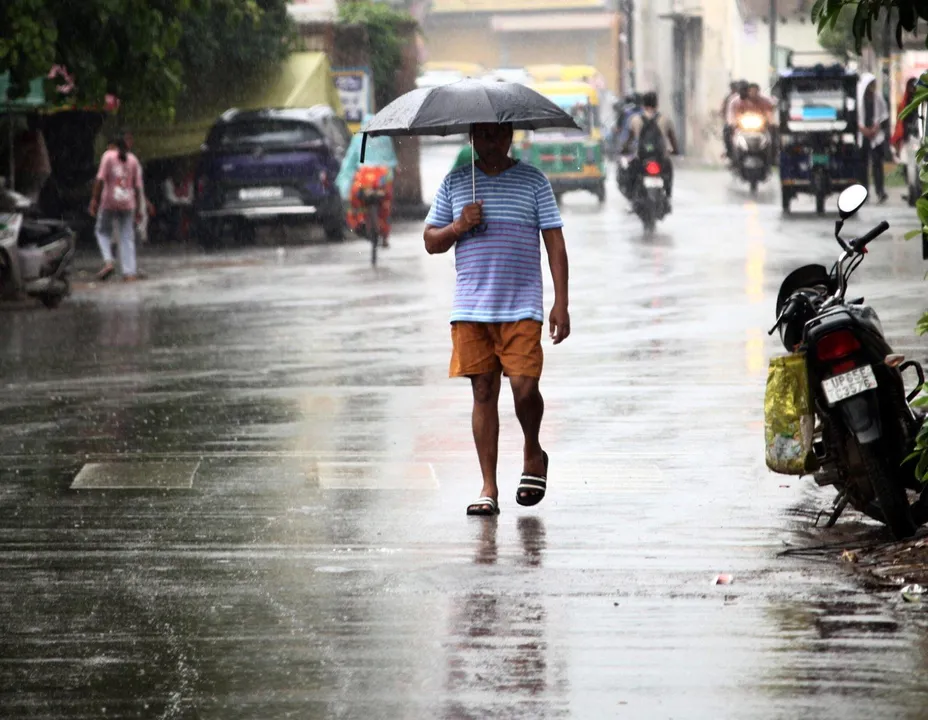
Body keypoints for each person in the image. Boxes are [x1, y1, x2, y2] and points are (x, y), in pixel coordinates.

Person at [423, 122, 570, 517]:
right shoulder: (456, 183)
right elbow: (430, 241)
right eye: (484, 135)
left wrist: (561, 302)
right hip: (471, 309)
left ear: (510, 138)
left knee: (524, 389)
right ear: (472, 137)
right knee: (483, 393)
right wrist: (458, 225)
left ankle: (532, 451)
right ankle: (489, 487)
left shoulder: (534, 181)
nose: (492, 142)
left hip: (522, 307)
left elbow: (554, 242)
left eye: (500, 135)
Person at [89, 132, 144, 281]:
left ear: (112, 145)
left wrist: (94, 200)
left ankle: (108, 262)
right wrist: (139, 209)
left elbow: (99, 180)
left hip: (109, 201)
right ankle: (129, 272)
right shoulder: (133, 160)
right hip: (128, 203)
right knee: (127, 237)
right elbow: (138, 187)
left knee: (102, 232)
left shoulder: (108, 156)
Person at [336, 117, 398, 247]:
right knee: (385, 205)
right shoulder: (385, 138)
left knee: (356, 198)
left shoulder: (359, 138)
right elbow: (392, 160)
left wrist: (344, 181)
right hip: (383, 180)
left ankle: (359, 221)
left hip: (364, 180)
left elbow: (349, 161)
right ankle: (384, 235)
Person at [621, 91, 679, 200]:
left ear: (643, 105)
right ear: (657, 104)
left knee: (631, 175)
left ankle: (632, 198)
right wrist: (675, 150)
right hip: (661, 157)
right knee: (668, 172)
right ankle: (667, 194)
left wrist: (624, 149)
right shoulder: (665, 119)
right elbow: (672, 139)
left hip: (641, 157)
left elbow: (629, 140)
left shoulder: (635, 120)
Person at [858, 72, 889, 204]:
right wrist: (863, 129)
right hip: (863, 136)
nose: (872, 88)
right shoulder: (859, 100)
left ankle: (880, 191)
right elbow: (855, 118)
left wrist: (876, 127)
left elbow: (884, 115)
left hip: (876, 136)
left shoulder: (878, 98)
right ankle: (864, 192)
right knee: (862, 165)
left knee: (877, 164)